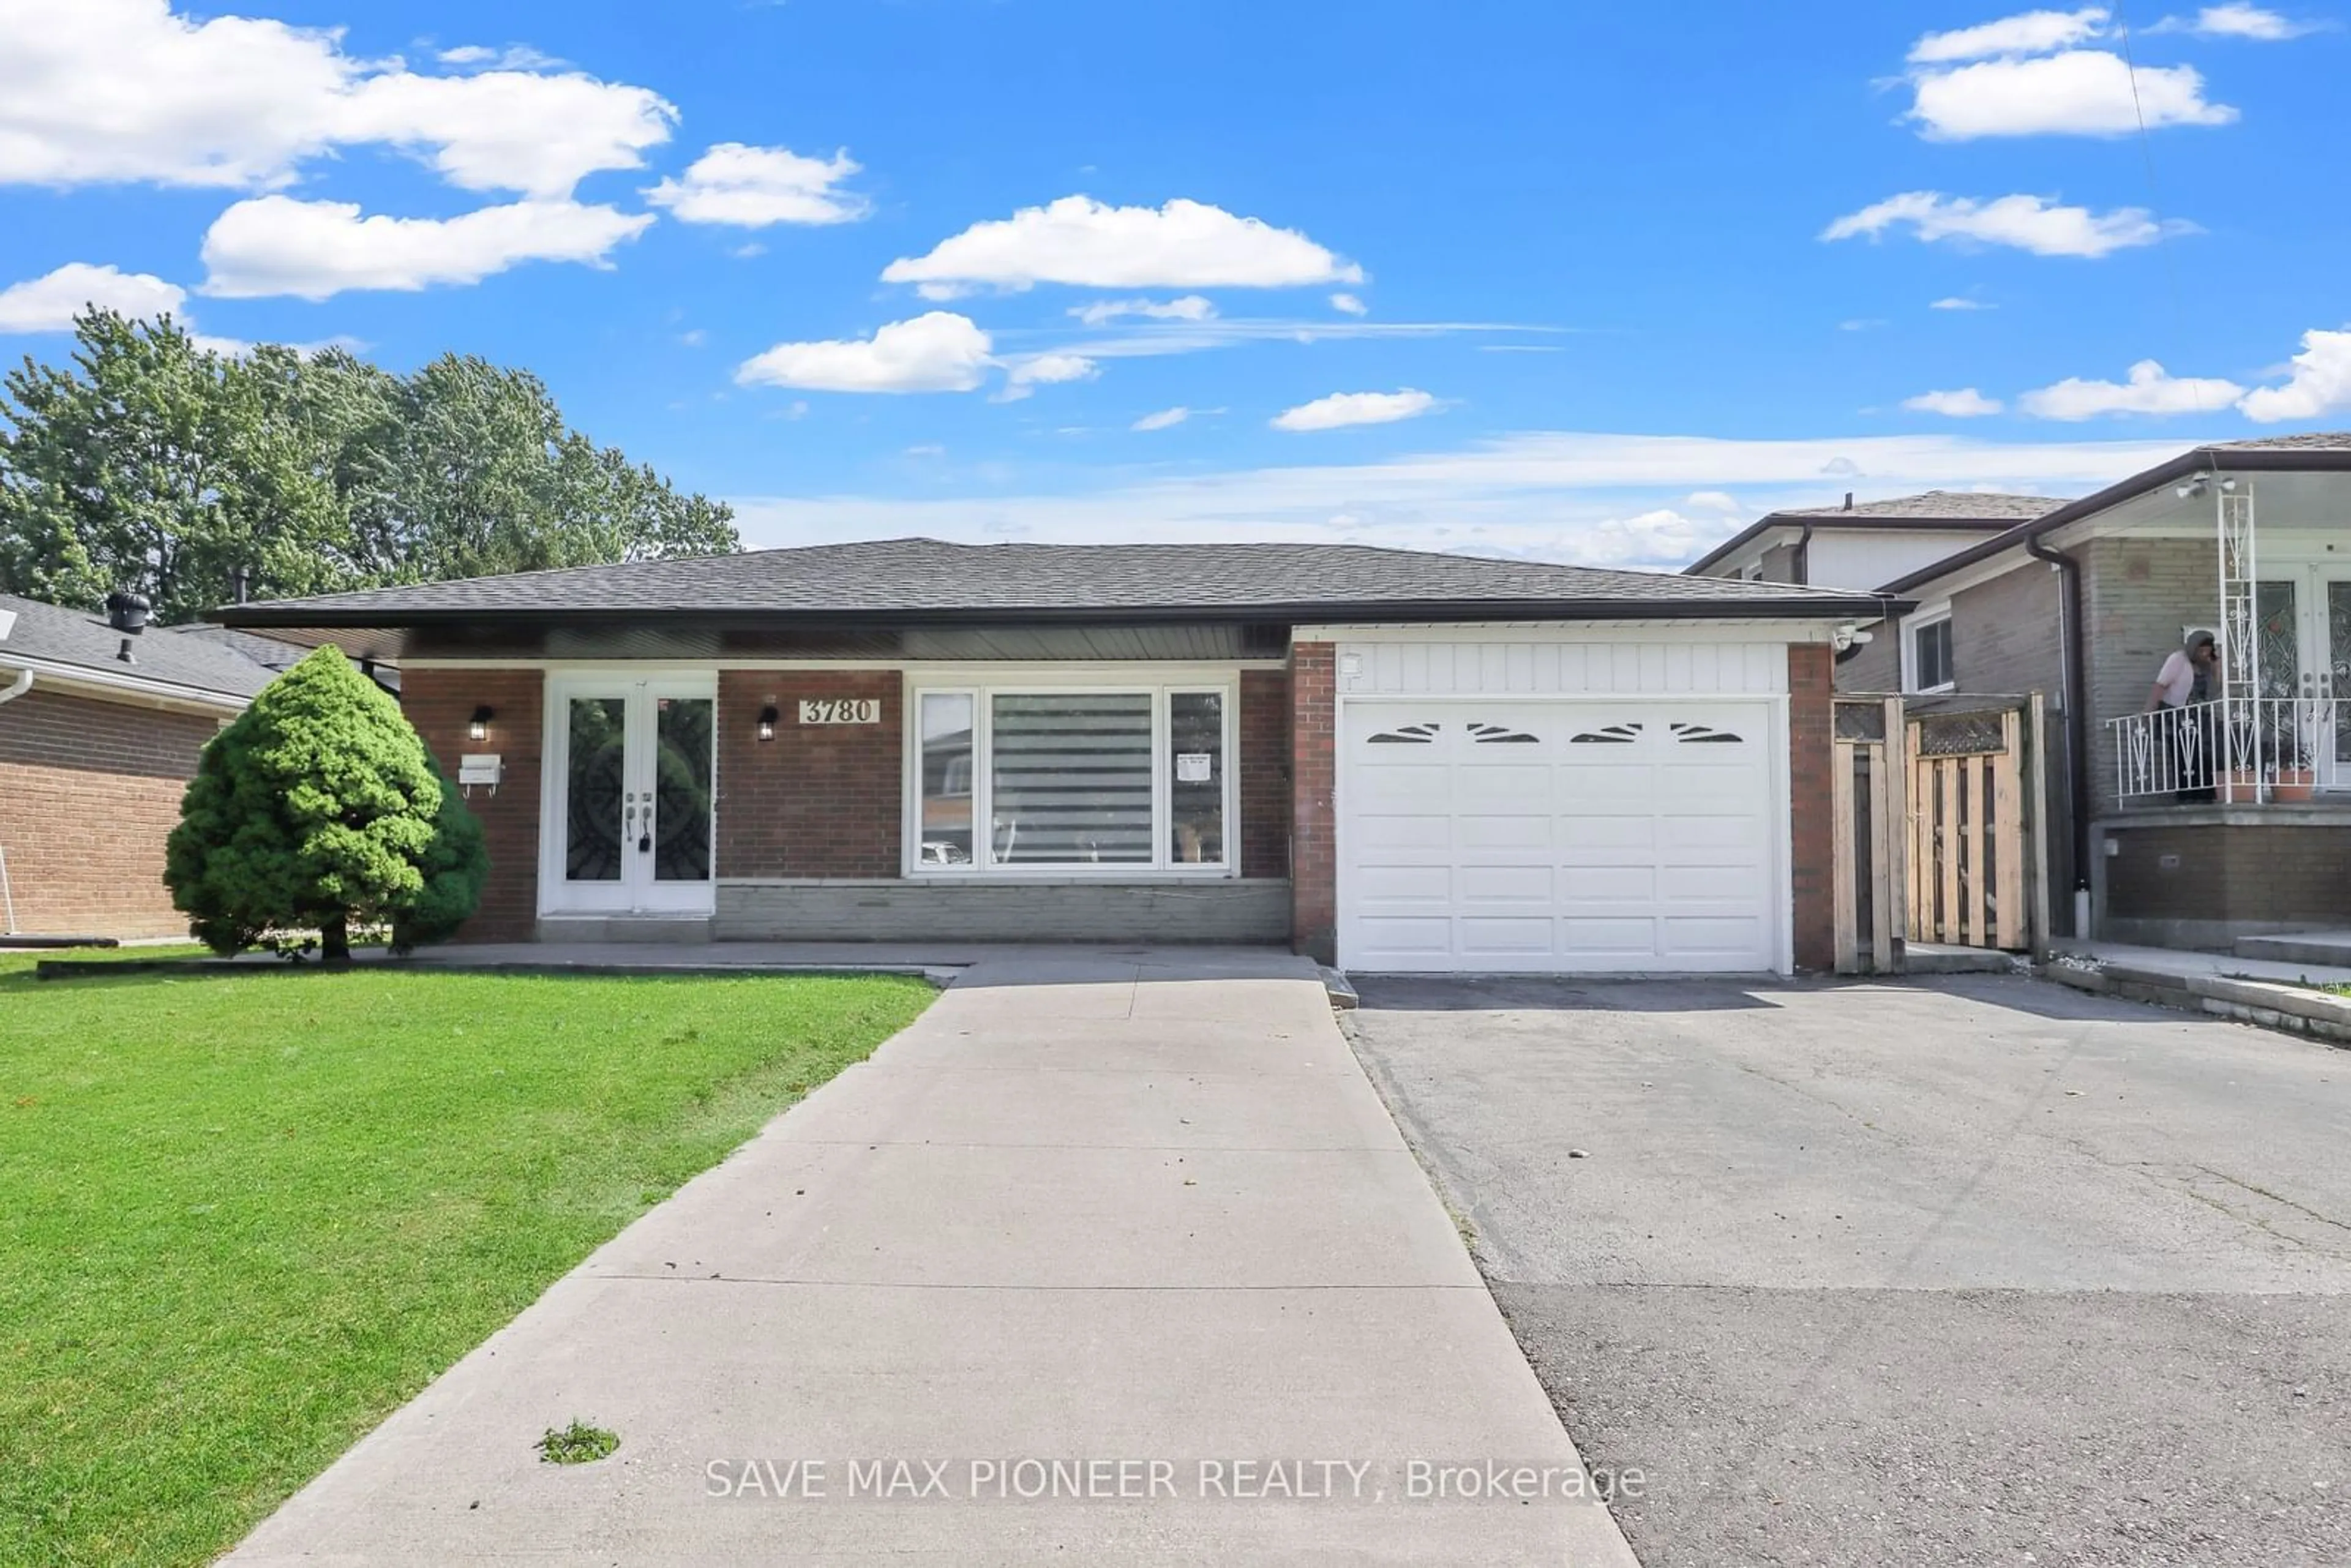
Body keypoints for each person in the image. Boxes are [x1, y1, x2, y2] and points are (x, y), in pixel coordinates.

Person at [2145, 630, 2219, 800]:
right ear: (2193, 649)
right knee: (2183, 754)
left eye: (2208, 650)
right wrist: (2148, 712)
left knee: (2204, 753)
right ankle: (2186, 794)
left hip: (2201, 717)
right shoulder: (2178, 659)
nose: (2204, 654)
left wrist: (2216, 668)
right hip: (2178, 715)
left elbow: (2215, 691)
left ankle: (2206, 793)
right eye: (2201, 651)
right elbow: (2160, 685)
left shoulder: (2207, 665)